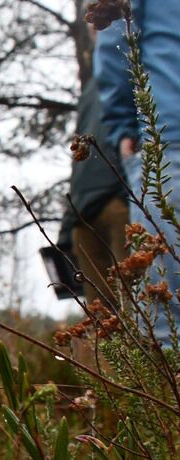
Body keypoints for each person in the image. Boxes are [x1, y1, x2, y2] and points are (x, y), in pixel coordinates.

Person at [96, 3, 180, 346]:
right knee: (163, 297)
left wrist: (123, 126)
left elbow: (115, 27)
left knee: (163, 307)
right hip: (167, 135)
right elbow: (116, 24)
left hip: (167, 137)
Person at [58, 66, 128, 307]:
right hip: (83, 215)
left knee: (136, 300)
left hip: (122, 203)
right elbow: (78, 157)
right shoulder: (89, 89)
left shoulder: (140, 61)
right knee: (100, 313)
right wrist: (67, 227)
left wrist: (127, 191)